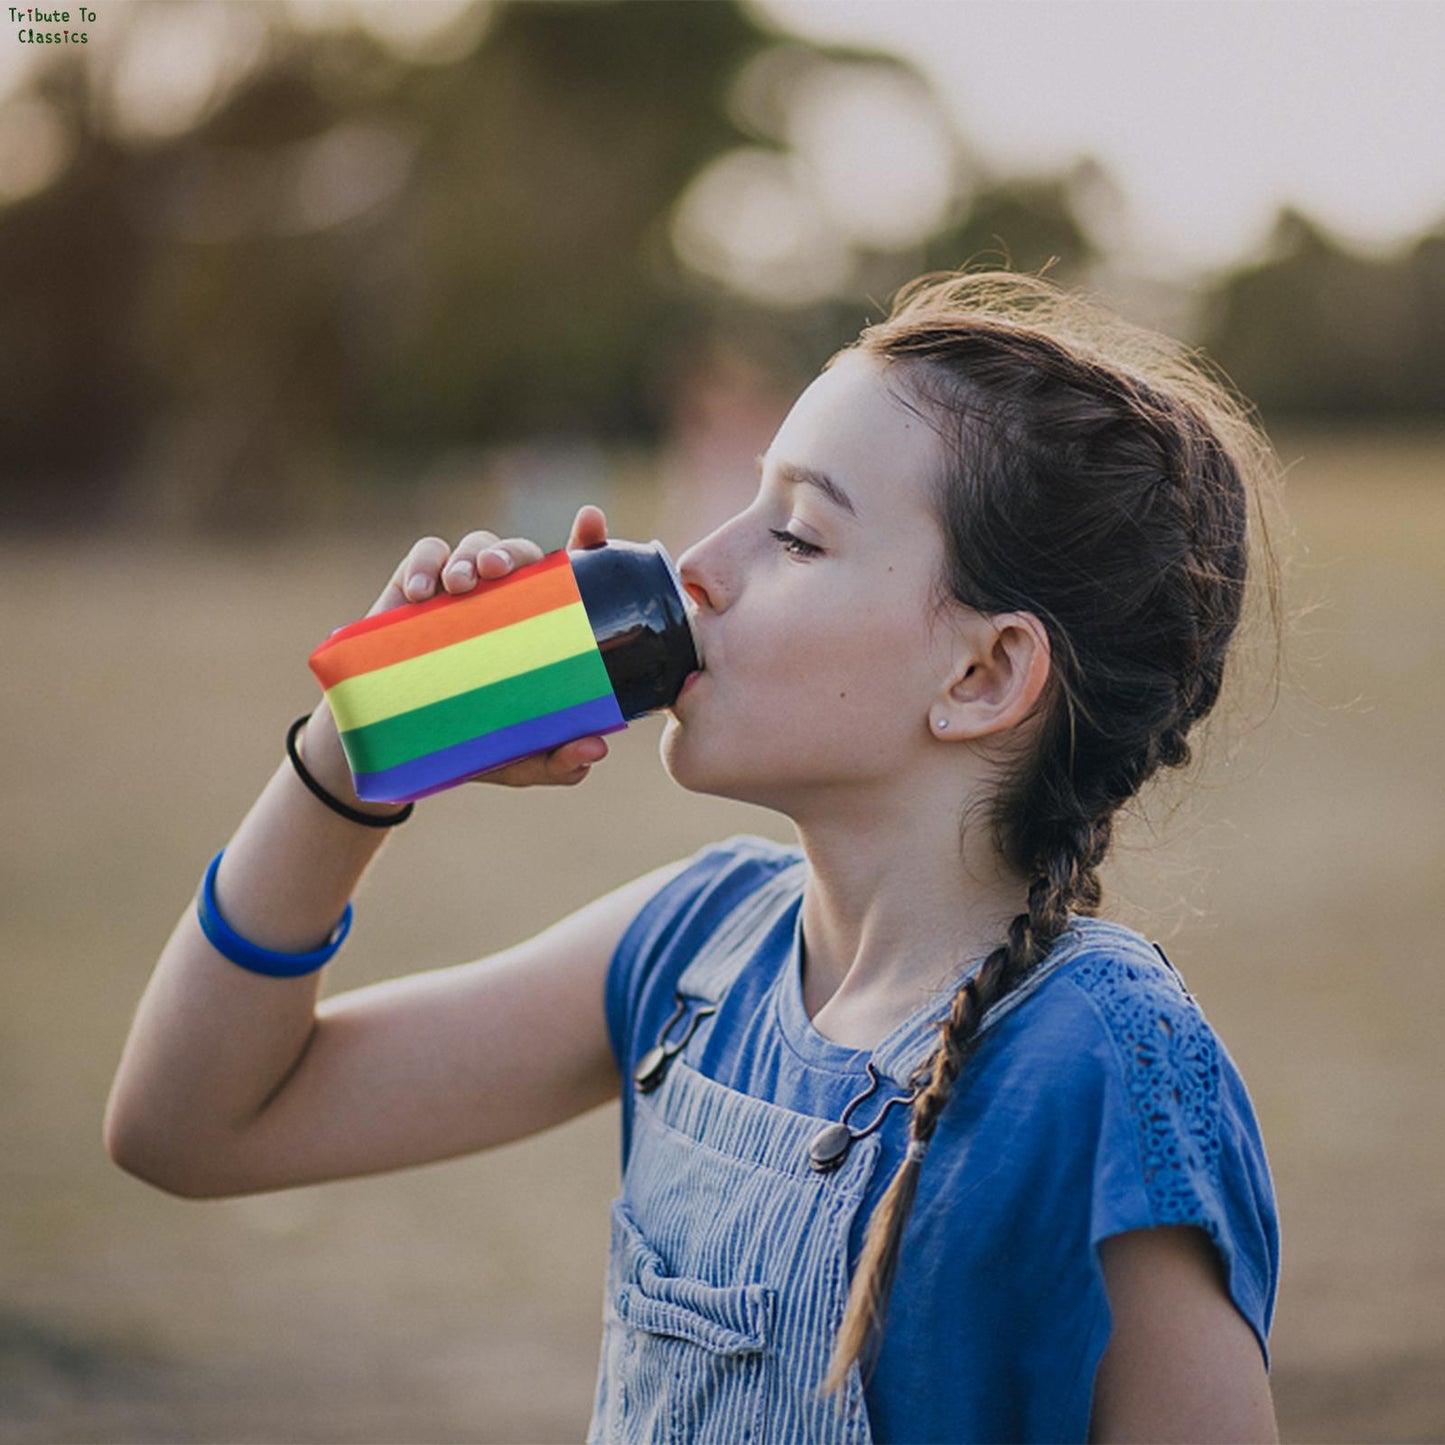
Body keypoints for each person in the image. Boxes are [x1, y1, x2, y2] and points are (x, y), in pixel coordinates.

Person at [106, 270, 1283, 1443]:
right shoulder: (693, 945)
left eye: (794, 533)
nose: (692, 564)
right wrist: (356, 753)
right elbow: (192, 1124)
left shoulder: (1106, 1069)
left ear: (980, 676)